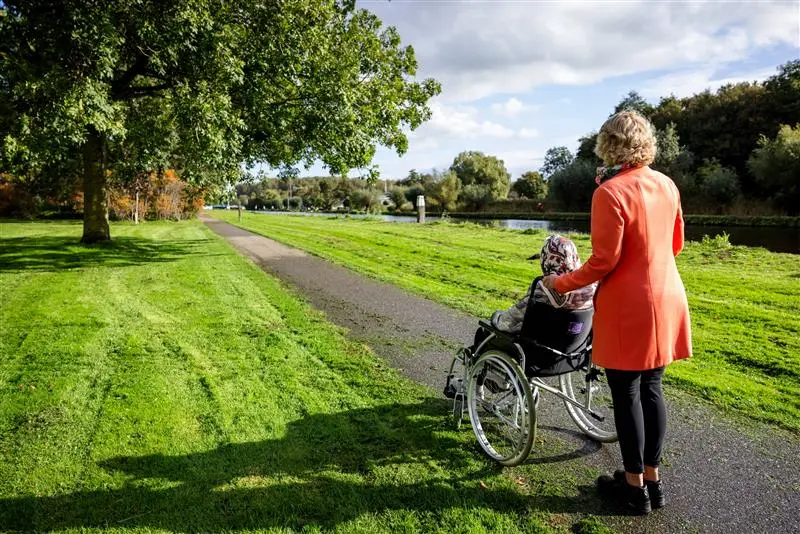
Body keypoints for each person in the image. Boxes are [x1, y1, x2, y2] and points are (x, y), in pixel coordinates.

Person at [542, 110, 692, 515]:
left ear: (608, 144)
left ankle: (633, 488)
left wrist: (561, 283)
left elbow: (604, 261)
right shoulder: (667, 184)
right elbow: (675, 245)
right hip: (668, 295)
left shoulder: (609, 192)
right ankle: (652, 481)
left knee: (626, 393)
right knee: (652, 388)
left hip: (629, 304)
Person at [489, 234, 595, 335]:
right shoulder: (591, 287)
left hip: (540, 344)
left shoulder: (544, 288)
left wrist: (498, 317)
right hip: (573, 347)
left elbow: (513, 318)